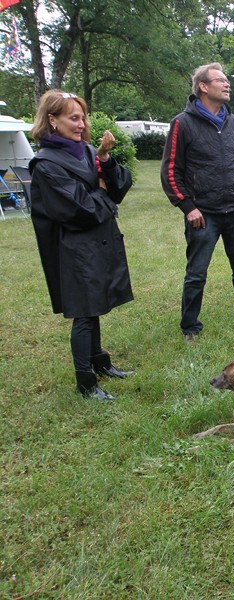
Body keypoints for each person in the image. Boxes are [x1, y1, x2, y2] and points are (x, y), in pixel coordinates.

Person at [29, 90, 134, 401]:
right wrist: (100, 192)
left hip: (97, 242)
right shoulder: (45, 164)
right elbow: (79, 209)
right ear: (52, 120)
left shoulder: (87, 151)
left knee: (95, 303)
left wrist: (105, 160)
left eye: (83, 118)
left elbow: (119, 188)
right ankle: (85, 382)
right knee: (84, 312)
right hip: (72, 248)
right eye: (73, 118)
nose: (81, 124)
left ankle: (100, 363)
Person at [161, 63, 234, 343]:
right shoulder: (182, 123)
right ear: (203, 87)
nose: (227, 84)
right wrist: (188, 206)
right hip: (203, 214)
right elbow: (171, 170)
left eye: (227, 80)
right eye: (220, 80)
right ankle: (190, 327)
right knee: (196, 273)